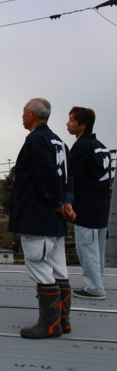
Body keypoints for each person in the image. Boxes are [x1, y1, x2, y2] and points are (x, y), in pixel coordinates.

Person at [9, 98, 71, 338]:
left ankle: (50, 324)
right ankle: (63, 321)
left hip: (38, 213)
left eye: (24, 112)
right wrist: (66, 203)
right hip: (55, 218)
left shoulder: (36, 140)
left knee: (39, 264)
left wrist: (57, 202)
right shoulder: (59, 141)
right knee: (58, 268)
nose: (22, 116)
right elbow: (67, 176)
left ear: (33, 114)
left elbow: (47, 176)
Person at [63, 107, 112, 300]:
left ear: (83, 125)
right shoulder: (101, 146)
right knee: (97, 249)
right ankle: (97, 281)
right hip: (101, 206)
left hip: (86, 206)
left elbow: (73, 176)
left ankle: (94, 288)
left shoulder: (82, 147)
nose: (68, 124)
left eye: (72, 120)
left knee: (86, 248)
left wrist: (66, 200)